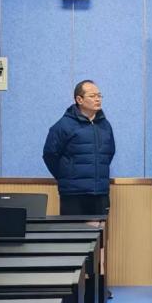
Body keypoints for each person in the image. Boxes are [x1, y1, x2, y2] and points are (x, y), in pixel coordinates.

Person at [43, 80, 115, 216]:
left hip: (100, 192)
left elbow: (109, 153)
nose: (98, 99)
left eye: (99, 95)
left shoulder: (105, 125)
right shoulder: (64, 125)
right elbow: (50, 155)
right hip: (73, 194)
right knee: (74, 229)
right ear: (79, 99)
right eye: (92, 96)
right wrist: (66, 175)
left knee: (100, 229)